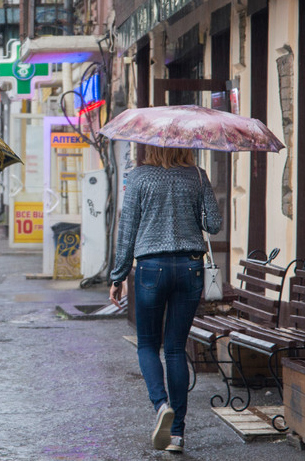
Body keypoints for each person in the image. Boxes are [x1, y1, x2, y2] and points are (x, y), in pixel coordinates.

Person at [108, 146, 222, 454]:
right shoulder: (198, 176)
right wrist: (194, 204)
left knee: (147, 344)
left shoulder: (139, 177)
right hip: (190, 266)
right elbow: (214, 225)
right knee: (175, 348)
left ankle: (160, 405)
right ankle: (178, 434)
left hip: (150, 269)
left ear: (149, 146)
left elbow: (127, 230)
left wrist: (118, 276)